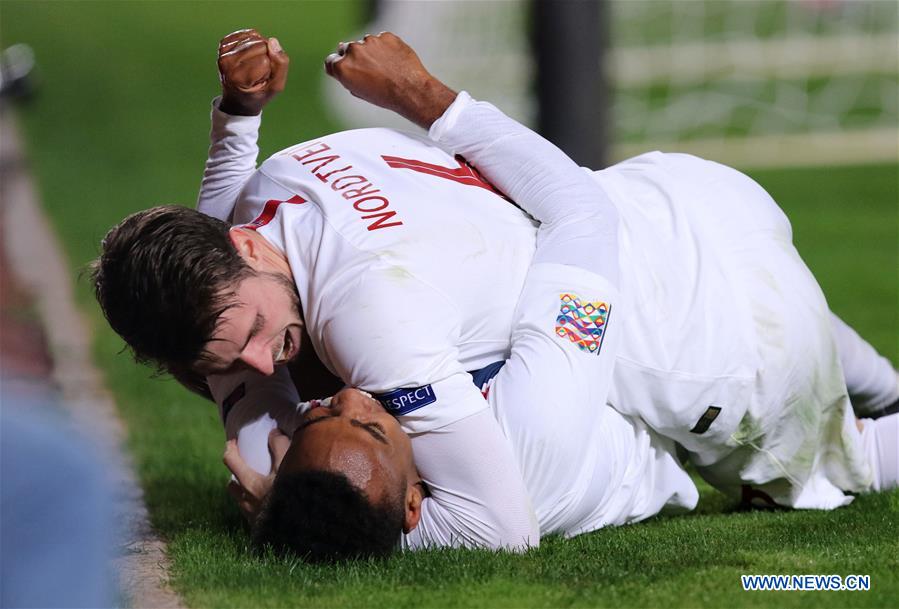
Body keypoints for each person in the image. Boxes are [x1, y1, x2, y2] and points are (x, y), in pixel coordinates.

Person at [92, 32, 898, 551]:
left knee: (841, 462)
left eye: (257, 338)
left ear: (241, 248)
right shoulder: (268, 200)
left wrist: (427, 96)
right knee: (811, 341)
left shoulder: (371, 319)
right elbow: (221, 286)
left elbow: (502, 525)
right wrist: (237, 119)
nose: (269, 365)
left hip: (707, 344)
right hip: (678, 197)